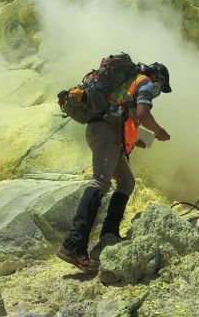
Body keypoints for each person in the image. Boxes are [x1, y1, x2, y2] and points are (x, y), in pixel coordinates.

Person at [57, 62, 173, 272]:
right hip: (105, 133)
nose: (158, 92)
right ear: (158, 77)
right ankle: (73, 246)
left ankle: (109, 235)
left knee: (127, 182)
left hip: (107, 133)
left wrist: (136, 138)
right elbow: (143, 115)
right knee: (100, 181)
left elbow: (123, 115)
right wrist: (159, 131)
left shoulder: (128, 84)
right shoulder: (144, 82)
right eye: (161, 86)